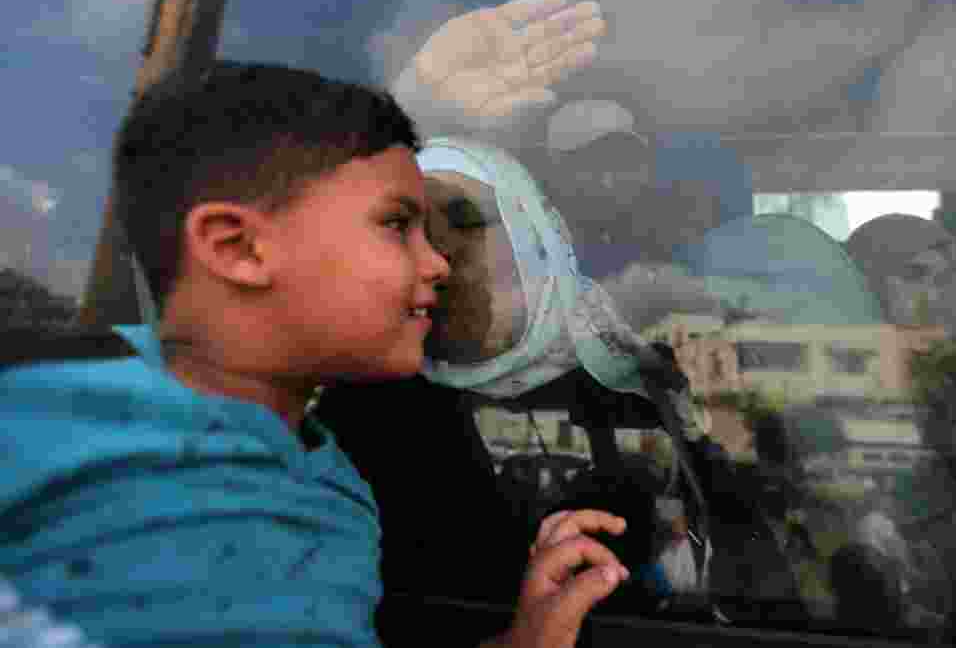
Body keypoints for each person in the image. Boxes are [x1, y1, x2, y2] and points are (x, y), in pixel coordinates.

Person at [0, 63, 629, 648]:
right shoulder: (49, 437)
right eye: (396, 225)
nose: (438, 263)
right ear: (238, 249)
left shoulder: (332, 477)